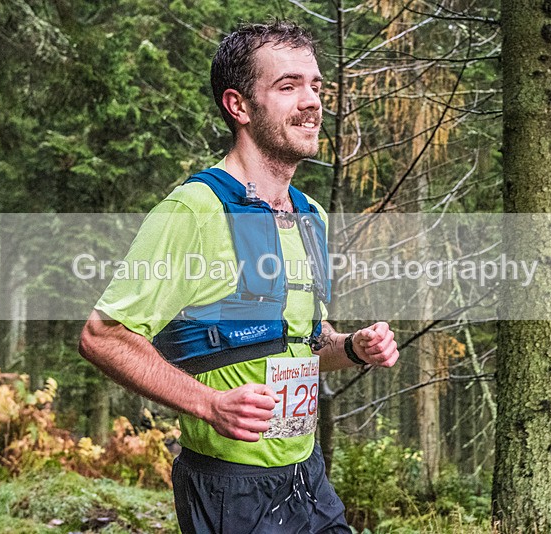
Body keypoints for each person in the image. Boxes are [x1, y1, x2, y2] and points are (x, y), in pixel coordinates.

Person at [78, 21, 399, 533]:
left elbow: (302, 343)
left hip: (308, 477)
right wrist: (208, 404)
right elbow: (103, 336)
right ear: (239, 106)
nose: (312, 102)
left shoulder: (310, 215)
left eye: (316, 86)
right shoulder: (194, 211)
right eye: (288, 86)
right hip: (231, 489)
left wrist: (354, 348)